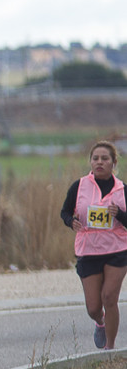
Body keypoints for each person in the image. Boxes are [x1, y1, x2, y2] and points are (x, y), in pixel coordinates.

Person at [60, 141, 127, 350]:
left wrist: (120, 214)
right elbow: (65, 212)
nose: (99, 162)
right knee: (93, 307)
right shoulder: (79, 186)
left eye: (105, 159)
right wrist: (71, 222)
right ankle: (100, 321)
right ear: (90, 162)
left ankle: (110, 348)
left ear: (113, 163)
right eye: (95, 158)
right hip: (88, 250)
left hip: (117, 249)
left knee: (109, 297)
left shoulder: (122, 189)